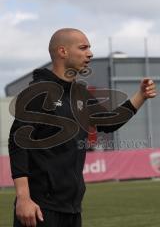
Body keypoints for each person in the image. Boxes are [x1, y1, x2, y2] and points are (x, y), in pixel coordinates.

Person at [8, 28, 157, 227]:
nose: (90, 53)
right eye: (83, 47)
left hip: (72, 209)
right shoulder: (38, 91)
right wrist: (23, 198)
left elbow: (110, 122)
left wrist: (141, 96)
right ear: (63, 51)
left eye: (90, 48)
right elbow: (18, 143)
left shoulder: (80, 93)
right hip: (40, 209)